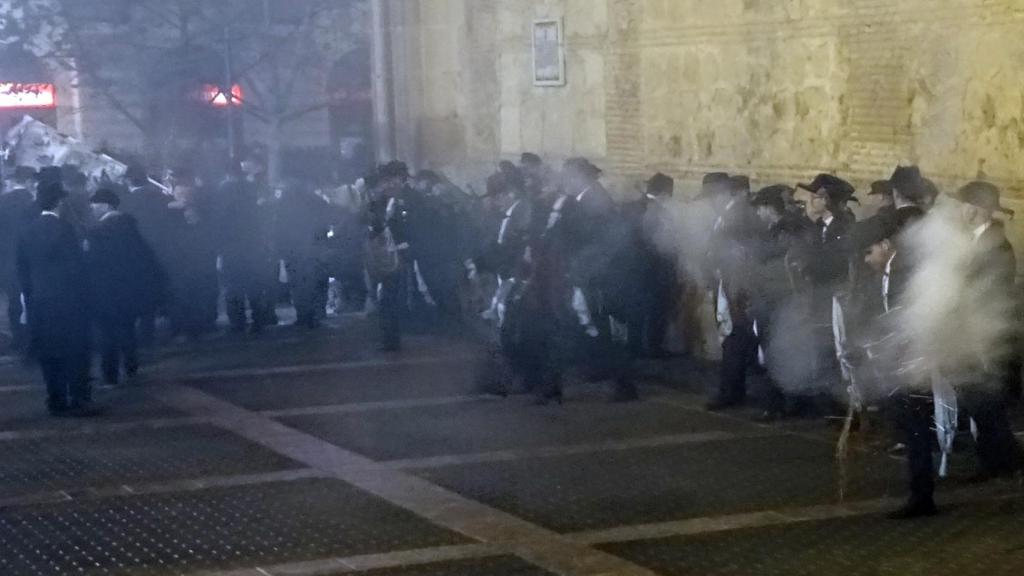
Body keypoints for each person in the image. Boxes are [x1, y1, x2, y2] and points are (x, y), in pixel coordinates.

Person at [952, 181, 1024, 481]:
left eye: (965, 205)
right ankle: (999, 460)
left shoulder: (997, 246)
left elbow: (990, 293)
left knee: (986, 404)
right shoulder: (974, 241)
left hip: (987, 336)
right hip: (971, 333)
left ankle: (1001, 461)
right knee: (979, 404)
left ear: (978, 209)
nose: (961, 211)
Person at [17, 181, 93, 416]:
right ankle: (78, 398)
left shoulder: (27, 231)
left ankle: (55, 399)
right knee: (75, 351)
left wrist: (28, 298)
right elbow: (76, 267)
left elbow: (22, 269)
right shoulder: (65, 229)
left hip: (40, 300)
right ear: (59, 202)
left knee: (49, 354)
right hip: (68, 300)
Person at [85, 189, 162, 386]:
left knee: (107, 335)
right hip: (129, 290)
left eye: (95, 204)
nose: (92, 208)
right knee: (127, 329)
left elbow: (93, 263)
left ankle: (110, 375)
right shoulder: (130, 227)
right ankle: (131, 367)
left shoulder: (98, 232)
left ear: (106, 205)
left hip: (106, 291)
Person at [0, 166, 37, 352]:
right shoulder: (32, 203)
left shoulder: (2, 201)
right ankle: (31, 339)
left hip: (6, 261)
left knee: (14, 301)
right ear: (29, 181)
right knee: (30, 300)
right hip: (28, 260)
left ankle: (18, 338)